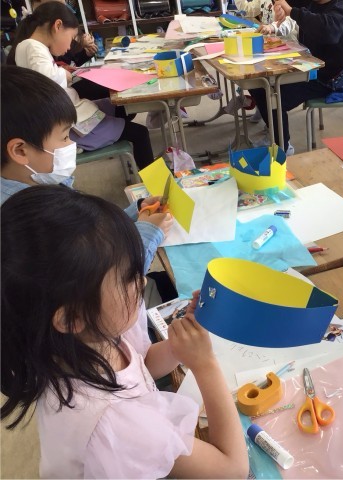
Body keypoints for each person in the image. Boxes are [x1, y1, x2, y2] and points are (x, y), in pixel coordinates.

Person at [0, 186, 249, 479]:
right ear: (72, 318)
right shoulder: (117, 423)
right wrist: (205, 363)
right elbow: (232, 470)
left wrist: (177, 347)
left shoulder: (76, 341)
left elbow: (140, 365)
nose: (143, 282)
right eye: (129, 278)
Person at [1, 65, 169, 274]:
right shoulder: (36, 221)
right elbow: (112, 278)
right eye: (64, 137)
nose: (71, 143)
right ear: (20, 150)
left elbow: (93, 232)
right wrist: (150, 232)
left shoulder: (34, 184)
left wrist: (135, 212)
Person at [8, 2, 154, 169]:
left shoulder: (27, 45)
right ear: (57, 26)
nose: (69, 46)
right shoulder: (34, 47)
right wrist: (64, 74)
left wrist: (61, 70)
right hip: (70, 124)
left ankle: (115, 135)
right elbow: (46, 81)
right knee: (140, 133)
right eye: (71, 39)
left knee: (121, 108)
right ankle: (151, 182)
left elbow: (40, 77)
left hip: (67, 114)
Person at [249, 0, 343, 155]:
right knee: (258, 85)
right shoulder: (311, 2)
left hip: (326, 78)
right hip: (305, 67)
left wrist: (292, 12)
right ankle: (276, 135)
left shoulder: (340, 6)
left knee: (274, 98)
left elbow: (328, 32)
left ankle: (283, 146)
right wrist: (279, 5)